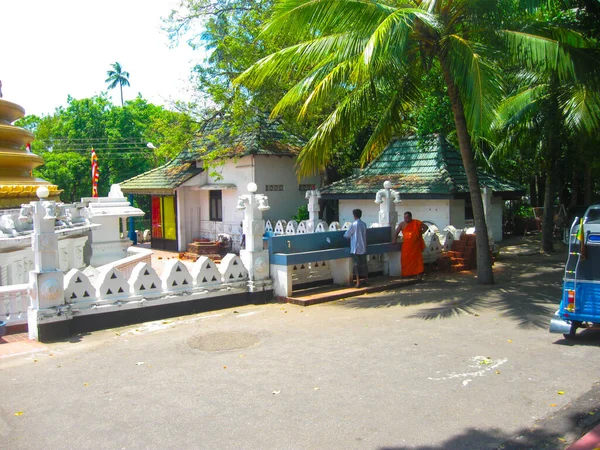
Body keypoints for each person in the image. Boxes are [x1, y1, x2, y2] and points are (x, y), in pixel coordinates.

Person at [393, 211, 428, 278]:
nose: (406, 219)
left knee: (417, 260)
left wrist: (419, 234)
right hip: (406, 245)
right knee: (405, 260)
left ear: (411, 217)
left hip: (415, 245)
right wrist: (394, 240)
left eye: (407, 217)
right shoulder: (402, 224)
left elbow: (426, 227)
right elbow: (396, 232)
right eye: (405, 218)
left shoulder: (416, 222)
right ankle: (407, 274)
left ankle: (418, 274)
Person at [344, 208, 368, 288]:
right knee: (364, 265)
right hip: (363, 247)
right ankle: (366, 280)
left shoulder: (354, 224)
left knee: (356, 265)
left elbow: (347, 235)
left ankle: (358, 282)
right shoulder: (364, 224)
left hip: (355, 248)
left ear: (354, 216)